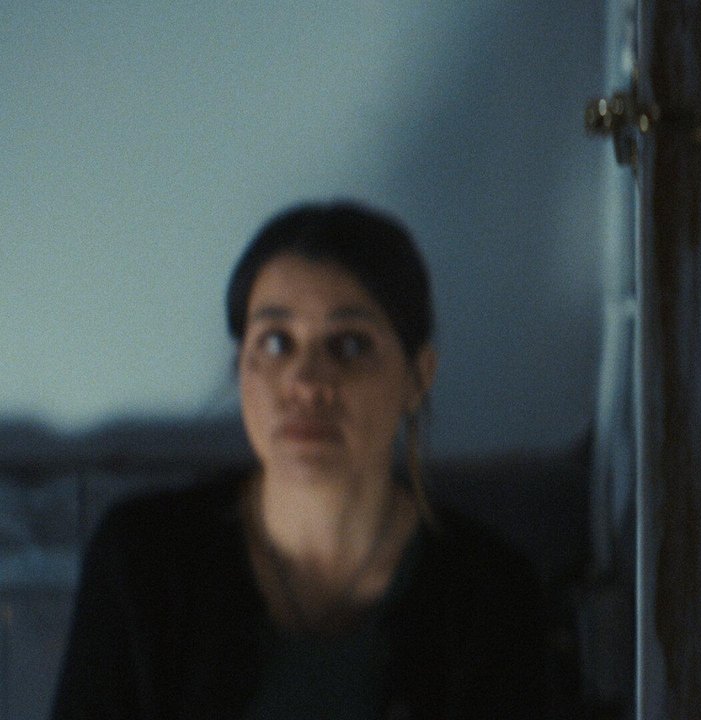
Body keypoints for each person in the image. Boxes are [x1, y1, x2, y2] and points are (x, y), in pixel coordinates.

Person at [53, 201, 548, 719]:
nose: (307, 383)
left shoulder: (492, 595)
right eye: (275, 342)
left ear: (418, 375)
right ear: (240, 367)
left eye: (350, 346)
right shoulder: (142, 562)